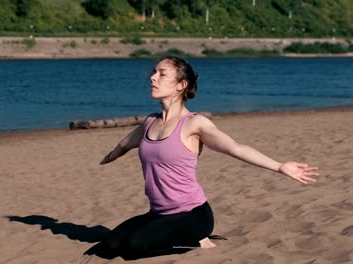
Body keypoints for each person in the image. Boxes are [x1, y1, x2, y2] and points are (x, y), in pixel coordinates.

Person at [84, 56, 318, 260]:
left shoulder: (195, 124)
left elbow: (236, 148)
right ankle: (164, 235)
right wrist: (109, 157)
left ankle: (198, 241)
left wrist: (280, 166)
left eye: (161, 74)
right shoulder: (150, 122)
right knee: (108, 246)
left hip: (192, 215)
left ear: (180, 85)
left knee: (134, 248)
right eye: (154, 72)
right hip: (158, 214)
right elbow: (126, 143)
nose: (152, 78)